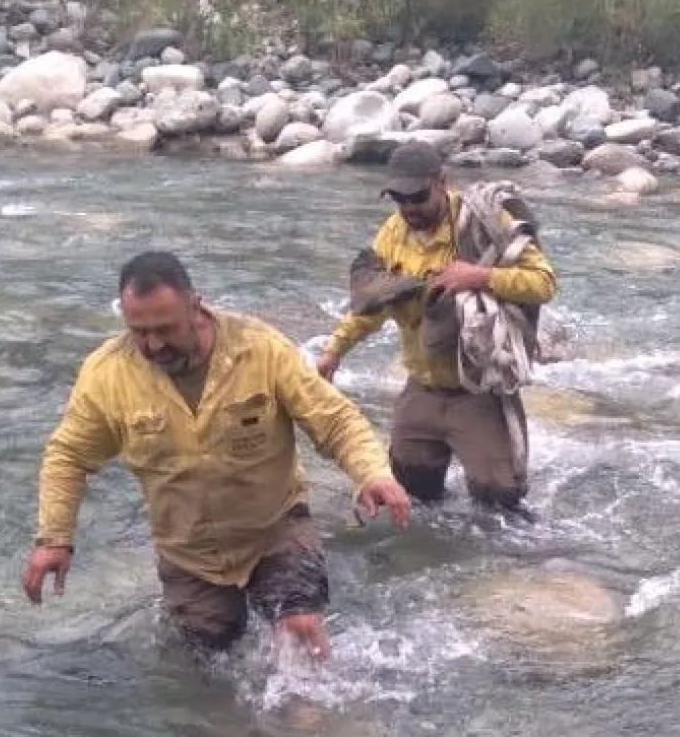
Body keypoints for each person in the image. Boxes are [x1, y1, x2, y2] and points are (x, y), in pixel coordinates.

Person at [20, 251, 411, 659]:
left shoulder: (258, 347)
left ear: (195, 305)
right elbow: (69, 456)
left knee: (300, 633)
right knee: (210, 660)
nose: (153, 344)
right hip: (189, 553)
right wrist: (55, 539)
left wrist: (372, 474)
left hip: (274, 530)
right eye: (140, 331)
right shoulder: (107, 375)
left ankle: (313, 720)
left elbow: (335, 420)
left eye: (165, 329)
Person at [315, 142, 558, 517]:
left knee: (501, 507)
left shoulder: (482, 223)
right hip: (422, 388)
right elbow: (374, 303)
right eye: (399, 198)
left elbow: (543, 282)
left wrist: (480, 276)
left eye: (417, 197)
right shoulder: (393, 232)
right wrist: (334, 350)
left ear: (442, 182)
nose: (409, 208)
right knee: (410, 497)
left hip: (478, 390)